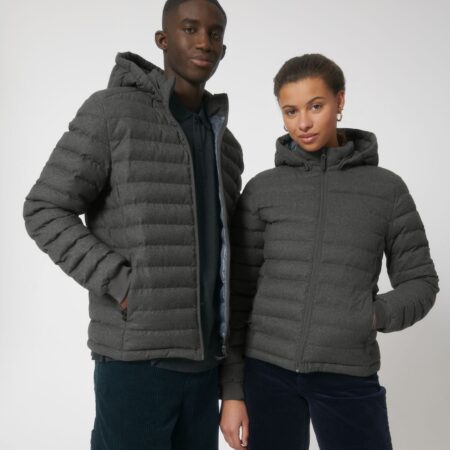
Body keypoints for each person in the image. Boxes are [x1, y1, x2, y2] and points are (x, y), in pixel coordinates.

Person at [23, 0, 243, 449]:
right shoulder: (112, 113)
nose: (204, 41)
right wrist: (122, 283)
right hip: (135, 364)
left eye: (215, 33)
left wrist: (232, 379)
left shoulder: (227, 146)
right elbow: (44, 208)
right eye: (189, 28)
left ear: (224, 49)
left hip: (204, 372)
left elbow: (230, 266)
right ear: (163, 39)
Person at [219, 54, 439, 450]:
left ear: (340, 101)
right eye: (290, 111)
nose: (302, 123)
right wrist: (232, 391)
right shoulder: (263, 190)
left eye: (315, 106)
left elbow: (421, 282)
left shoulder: (386, 189)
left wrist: (370, 316)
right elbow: (237, 294)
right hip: (266, 373)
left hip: (347, 371)